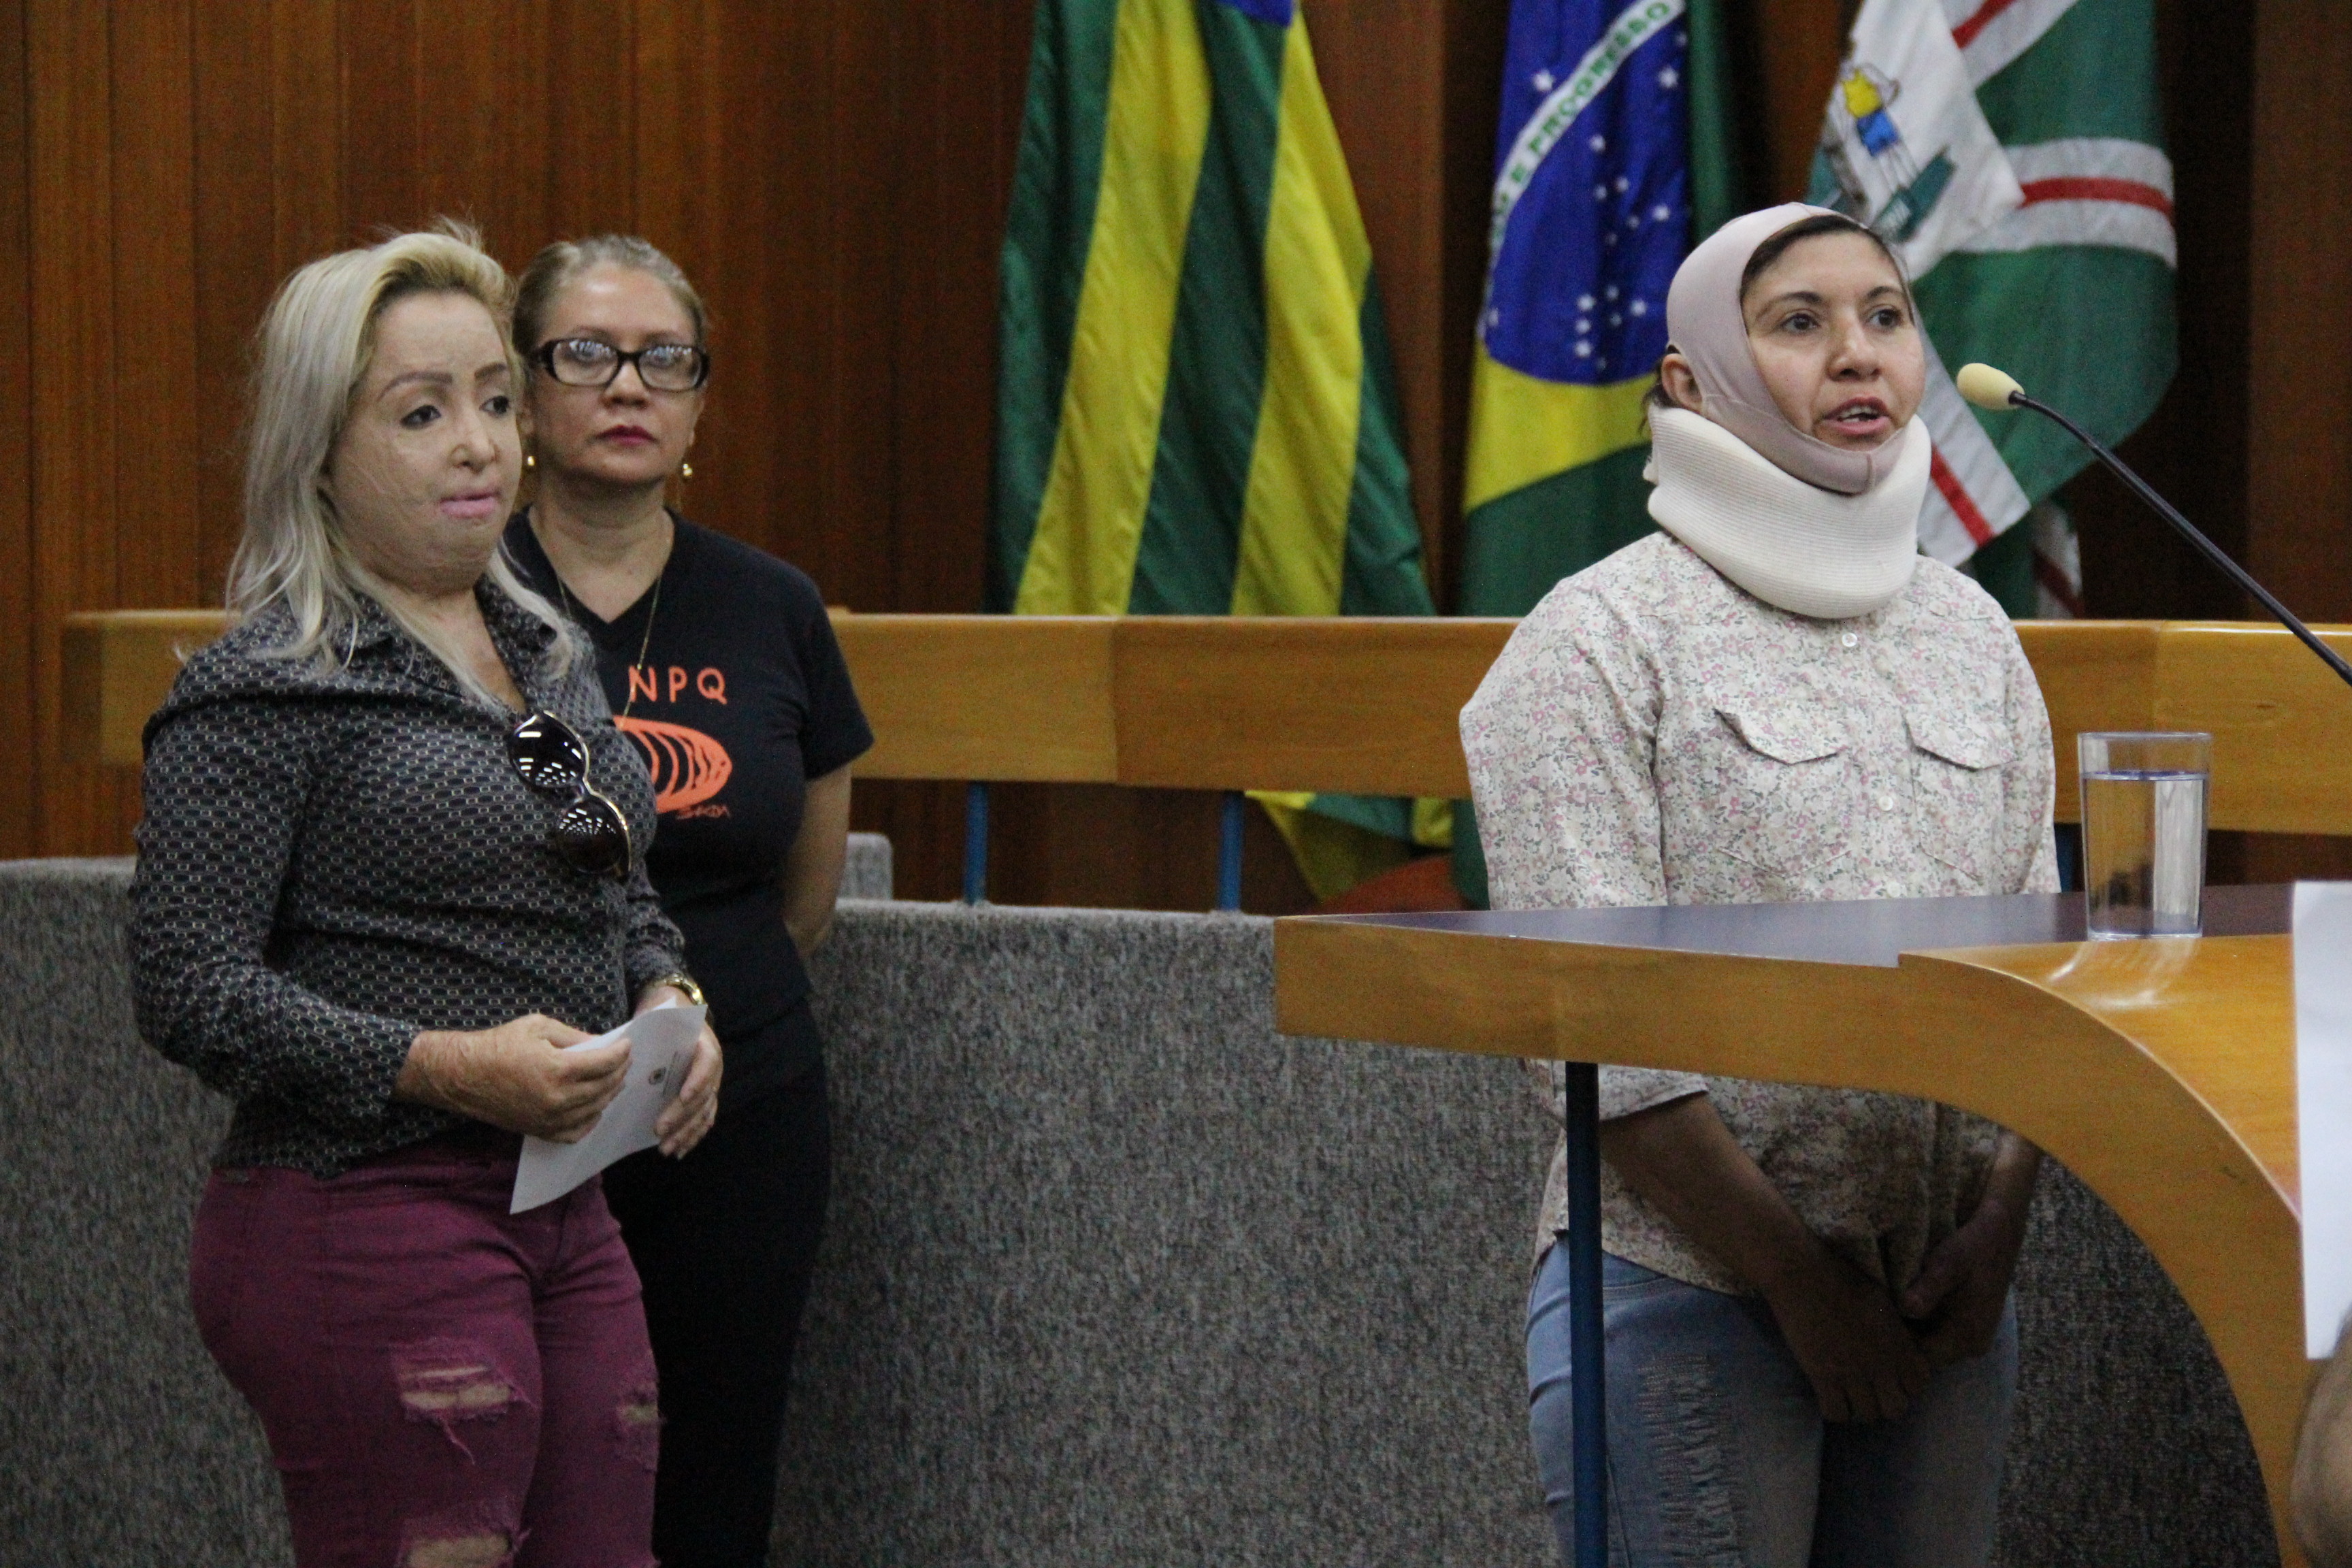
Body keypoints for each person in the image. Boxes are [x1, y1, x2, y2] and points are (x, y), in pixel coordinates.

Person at [1461, 204, 2057, 1568]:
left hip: (1947, 1288)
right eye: (1799, 323)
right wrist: (1797, 1283)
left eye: (1886, 317)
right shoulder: (1597, 640)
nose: (1858, 354)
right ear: (1692, 381)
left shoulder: (1975, 633)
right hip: (1688, 1293)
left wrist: (2001, 1218)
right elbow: (1598, 1032)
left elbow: (2044, 965)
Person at [128, 225, 724, 1567]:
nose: (479, 446)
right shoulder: (269, 687)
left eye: (497, 403)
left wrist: (669, 996)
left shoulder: (539, 665)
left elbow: (609, 879)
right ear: (319, 454)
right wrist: (443, 1064)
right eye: (422, 412)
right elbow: (185, 987)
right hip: (364, 1206)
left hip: (566, 1208)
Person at [501, 234, 872, 1568]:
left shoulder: (775, 606)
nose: (627, 386)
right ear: (522, 394)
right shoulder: (456, 598)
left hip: (743, 1103)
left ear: (700, 403)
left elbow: (806, 894)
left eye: (665, 359)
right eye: (586, 355)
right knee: (516, 1468)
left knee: (714, 1464)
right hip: (505, 1098)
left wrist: (694, 1007)